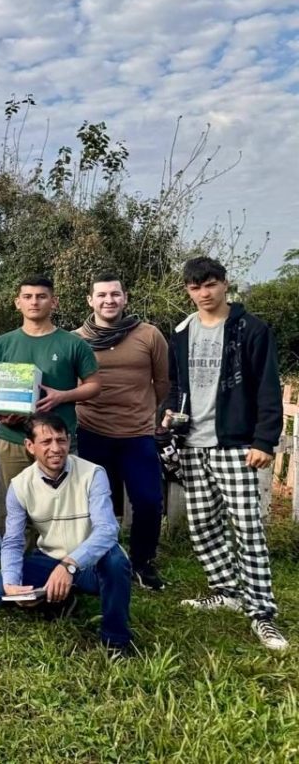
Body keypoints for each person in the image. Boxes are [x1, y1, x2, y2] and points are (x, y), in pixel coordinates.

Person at [163, 256, 287, 651]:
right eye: (195, 287)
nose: (204, 293)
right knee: (202, 524)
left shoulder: (251, 329)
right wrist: (170, 414)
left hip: (235, 443)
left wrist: (264, 440)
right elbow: (175, 384)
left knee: (247, 528)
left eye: (210, 285)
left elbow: (267, 387)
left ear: (225, 284)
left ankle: (262, 611)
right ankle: (226, 590)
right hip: (191, 442)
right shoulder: (181, 332)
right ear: (187, 290)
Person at [0, 412, 134, 657]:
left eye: (61, 440)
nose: (56, 448)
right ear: (30, 446)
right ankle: (60, 600)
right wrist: (12, 584)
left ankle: (116, 641)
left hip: (90, 563)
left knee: (116, 562)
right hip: (49, 558)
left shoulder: (92, 474)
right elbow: (13, 541)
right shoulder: (20, 485)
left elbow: (108, 530)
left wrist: (69, 565)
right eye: (46, 442)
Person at [74, 273, 169, 591]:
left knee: (148, 501)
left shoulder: (150, 335)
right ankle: (104, 561)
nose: (108, 300)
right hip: (92, 431)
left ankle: (143, 563)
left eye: (115, 294)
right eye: (101, 295)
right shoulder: (76, 339)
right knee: (101, 505)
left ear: (125, 298)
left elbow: (163, 382)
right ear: (90, 300)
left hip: (137, 434)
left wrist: (152, 417)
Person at [0, 275, 100, 492]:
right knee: (17, 504)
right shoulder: (1, 344)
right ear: (18, 302)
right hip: (12, 438)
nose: (34, 302)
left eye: (41, 297)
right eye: (27, 297)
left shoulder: (73, 343)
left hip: (57, 439)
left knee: (62, 504)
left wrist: (62, 396)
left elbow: (94, 386)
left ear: (53, 302)